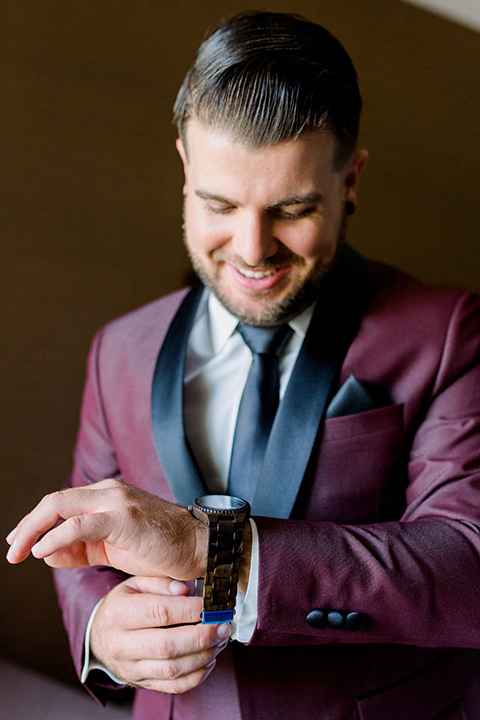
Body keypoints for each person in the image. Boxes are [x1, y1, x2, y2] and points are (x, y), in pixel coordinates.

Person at [6, 9, 480, 720]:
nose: (253, 248)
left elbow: (468, 568)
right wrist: (101, 634)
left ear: (350, 179)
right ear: (184, 168)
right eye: (219, 204)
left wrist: (211, 549)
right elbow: (90, 562)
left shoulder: (449, 332)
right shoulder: (119, 350)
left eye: (292, 208)